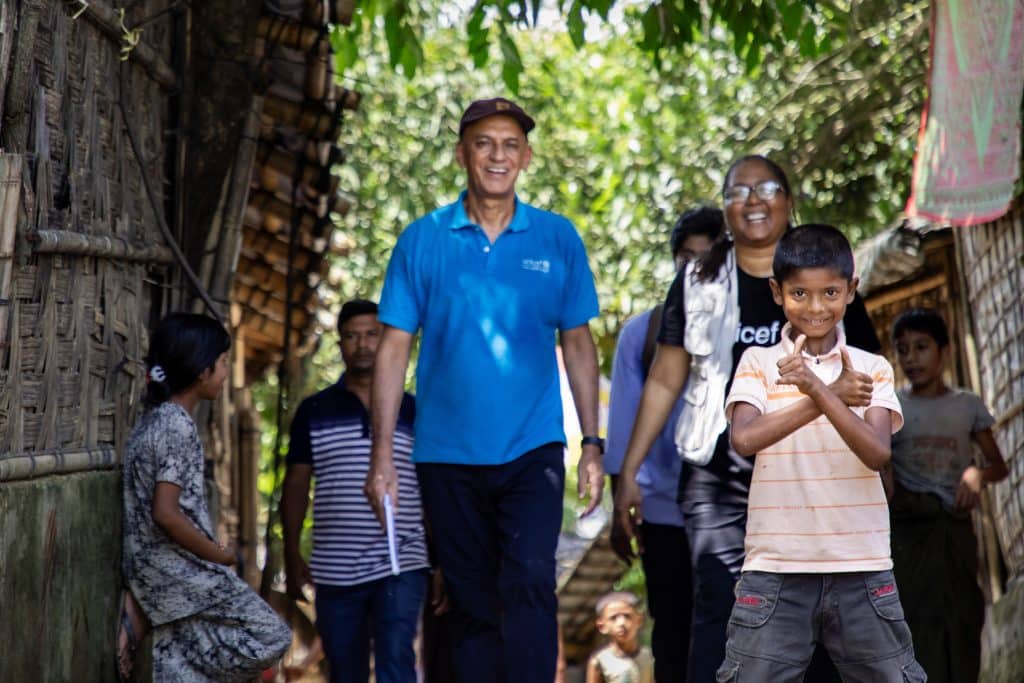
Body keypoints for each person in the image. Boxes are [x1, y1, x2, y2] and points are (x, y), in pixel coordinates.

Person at [613, 155, 881, 682]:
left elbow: (870, 373)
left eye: (767, 188)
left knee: (819, 611)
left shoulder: (826, 271)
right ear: (726, 205)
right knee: (723, 603)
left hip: (814, 474)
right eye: (739, 191)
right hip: (720, 474)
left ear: (789, 199)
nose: (754, 200)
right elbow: (667, 377)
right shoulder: (699, 279)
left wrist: (883, 466)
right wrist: (628, 471)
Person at [364, 97, 604, 682]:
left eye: (509, 144)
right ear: (461, 154)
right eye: (484, 143)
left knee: (528, 580)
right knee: (468, 603)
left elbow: (577, 342)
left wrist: (593, 443)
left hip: (533, 450)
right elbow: (394, 348)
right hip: (445, 454)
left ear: (524, 156)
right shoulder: (423, 239)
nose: (498, 155)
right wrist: (382, 457)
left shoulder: (556, 237)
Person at [716, 223, 922, 680]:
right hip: (775, 568)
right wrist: (820, 393)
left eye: (830, 292)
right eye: (799, 294)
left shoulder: (872, 369)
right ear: (776, 292)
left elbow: (876, 453)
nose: (815, 307)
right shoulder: (758, 362)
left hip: (862, 567)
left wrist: (819, 388)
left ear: (852, 290)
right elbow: (744, 439)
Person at [120, 313, 291, 682]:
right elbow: (166, 513)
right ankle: (142, 616)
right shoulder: (176, 425)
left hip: (152, 570)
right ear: (203, 371)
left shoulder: (154, 419)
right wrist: (219, 554)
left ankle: (146, 616)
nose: (228, 372)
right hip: (176, 569)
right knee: (272, 636)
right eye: (225, 362)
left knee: (179, 672)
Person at [279, 299, 430, 683]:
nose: (362, 344)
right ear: (339, 342)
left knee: (397, 663)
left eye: (372, 335)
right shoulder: (315, 411)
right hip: (334, 568)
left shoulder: (415, 411)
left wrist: (440, 557)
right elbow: (296, 484)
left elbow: (432, 486)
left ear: (386, 340)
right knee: (345, 671)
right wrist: (292, 551)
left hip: (402, 561)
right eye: (351, 336)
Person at [605, 206, 722, 681]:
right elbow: (623, 424)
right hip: (664, 511)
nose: (694, 269)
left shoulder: (745, 323)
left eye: (706, 258)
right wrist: (621, 497)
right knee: (674, 631)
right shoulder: (643, 333)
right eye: (685, 258)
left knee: (739, 626)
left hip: (735, 511)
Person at [887, 307, 1008, 683]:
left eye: (921, 347)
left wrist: (975, 474)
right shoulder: (893, 407)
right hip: (909, 534)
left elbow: (998, 466)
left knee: (963, 620)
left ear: (945, 350)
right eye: (903, 349)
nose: (911, 358)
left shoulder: (966, 405)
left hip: (955, 529)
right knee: (915, 624)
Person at [585, 592, 654, 683]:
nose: (622, 623)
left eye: (627, 616)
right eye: (613, 618)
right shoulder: (600, 662)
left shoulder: (650, 658)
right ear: (602, 626)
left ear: (639, 621)